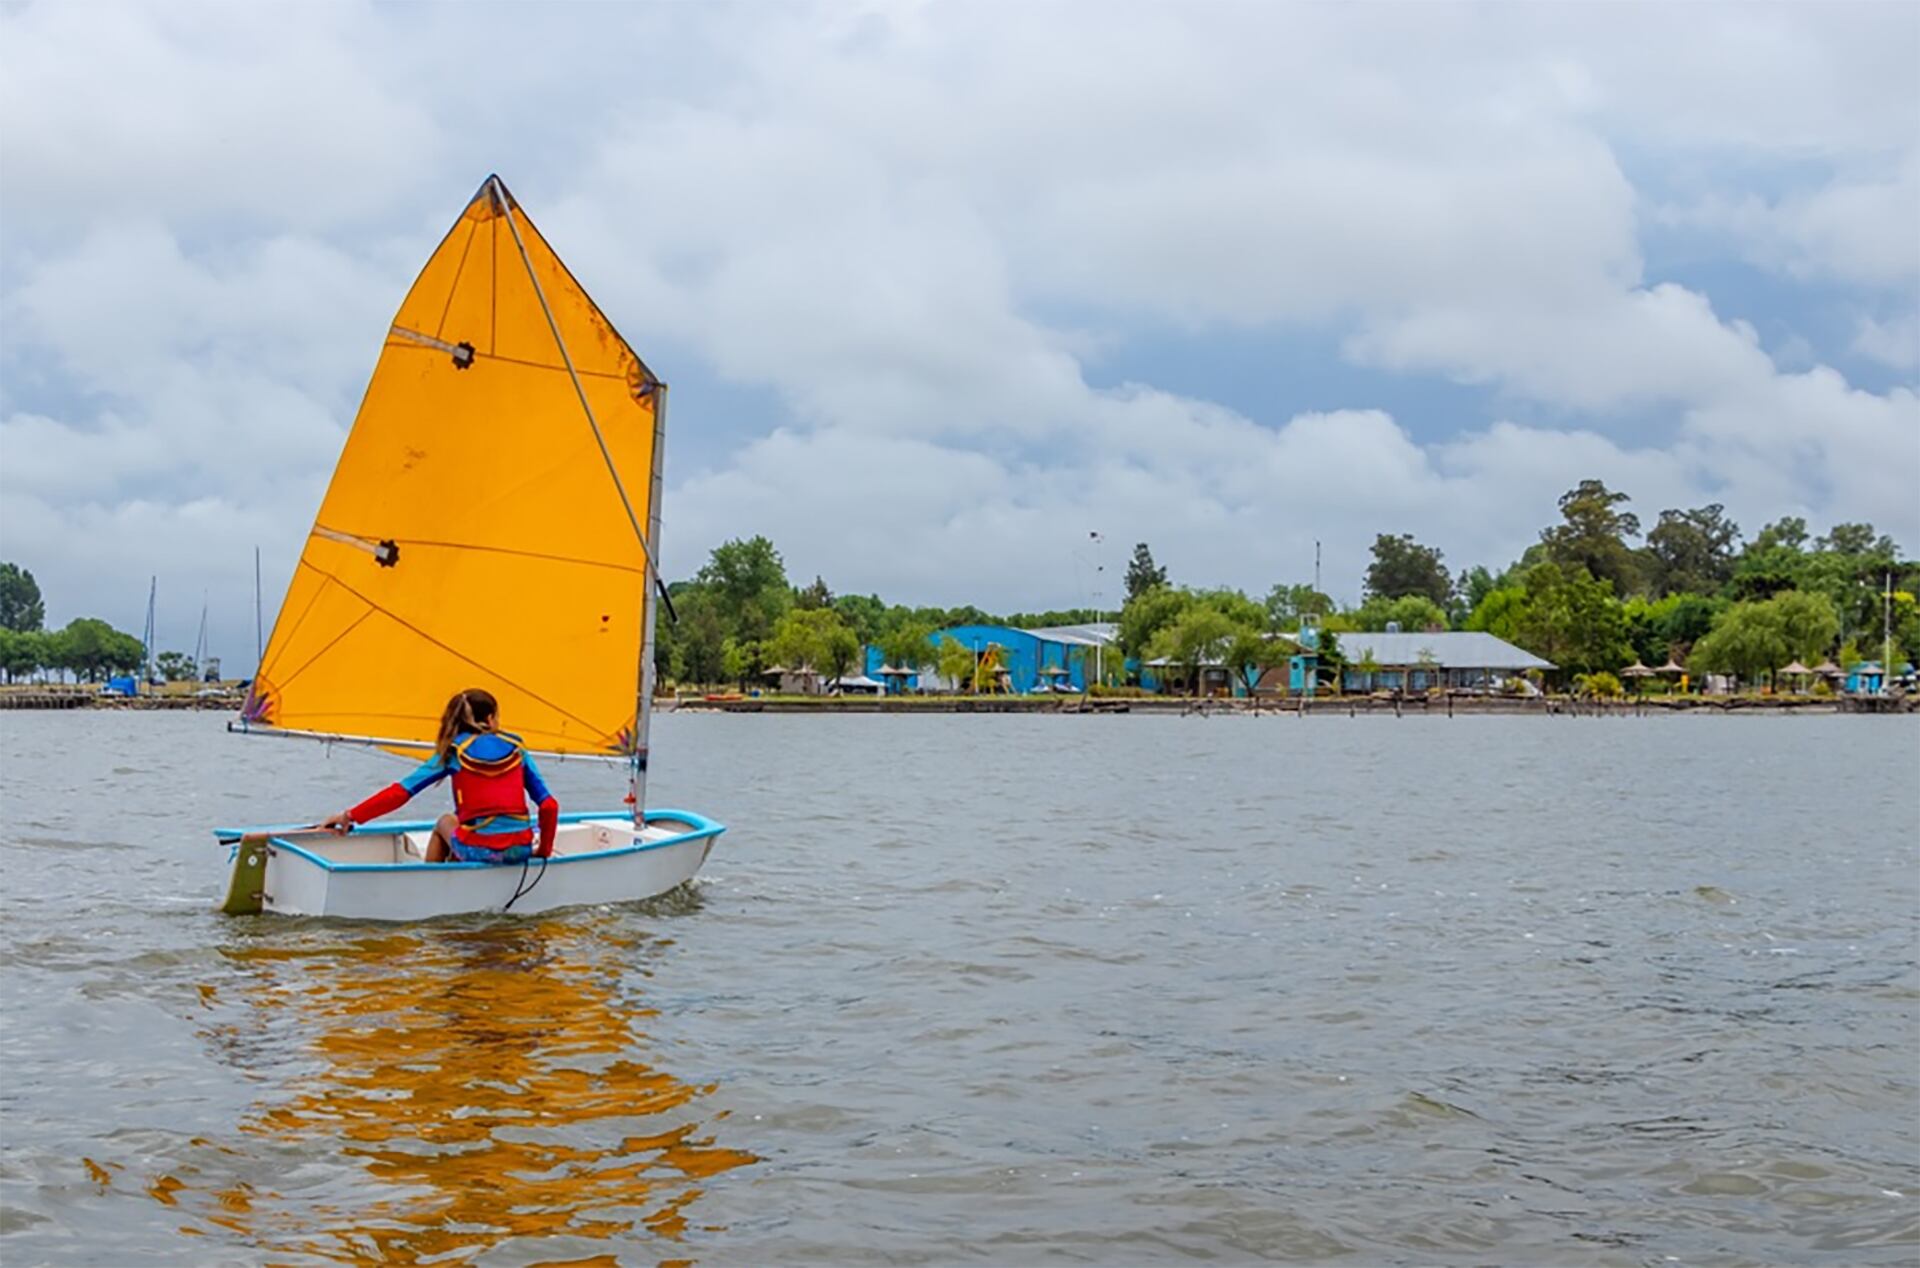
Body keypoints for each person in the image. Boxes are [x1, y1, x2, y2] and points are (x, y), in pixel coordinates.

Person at [322, 688, 559, 864]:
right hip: (520, 850)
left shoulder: (453, 752)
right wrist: (543, 852)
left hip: (478, 851)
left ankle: (431, 885)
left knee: (444, 822)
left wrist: (349, 816)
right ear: (489, 719)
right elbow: (549, 806)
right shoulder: (518, 749)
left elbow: (401, 793)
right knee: (461, 829)